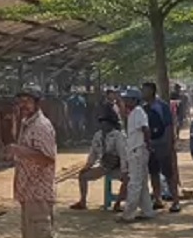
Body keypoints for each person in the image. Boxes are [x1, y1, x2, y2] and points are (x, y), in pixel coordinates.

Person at [11, 87, 58, 238]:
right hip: (29, 190)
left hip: (39, 190)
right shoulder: (27, 124)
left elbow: (48, 157)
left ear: (36, 103)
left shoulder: (41, 126)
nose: (23, 105)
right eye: (21, 101)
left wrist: (20, 151)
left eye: (27, 101)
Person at [71, 105, 127, 210]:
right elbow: (93, 153)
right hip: (104, 166)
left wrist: (124, 170)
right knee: (83, 175)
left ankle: (118, 203)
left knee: (128, 179)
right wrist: (87, 166)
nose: (104, 124)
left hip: (118, 167)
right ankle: (82, 201)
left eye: (106, 122)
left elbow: (124, 155)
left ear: (111, 123)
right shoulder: (98, 135)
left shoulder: (118, 136)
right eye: (102, 122)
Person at [120, 88, 154, 222]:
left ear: (135, 100)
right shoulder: (133, 112)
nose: (125, 101)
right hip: (136, 149)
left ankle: (128, 214)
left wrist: (148, 145)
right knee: (142, 182)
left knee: (134, 183)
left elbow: (145, 129)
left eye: (128, 99)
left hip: (138, 150)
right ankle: (147, 211)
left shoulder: (138, 111)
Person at [144, 81, 177, 212]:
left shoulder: (162, 106)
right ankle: (158, 199)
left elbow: (169, 125)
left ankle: (175, 201)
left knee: (169, 173)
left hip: (162, 143)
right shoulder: (144, 108)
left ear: (152, 91)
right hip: (150, 144)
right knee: (153, 173)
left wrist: (169, 144)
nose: (143, 93)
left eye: (145, 90)